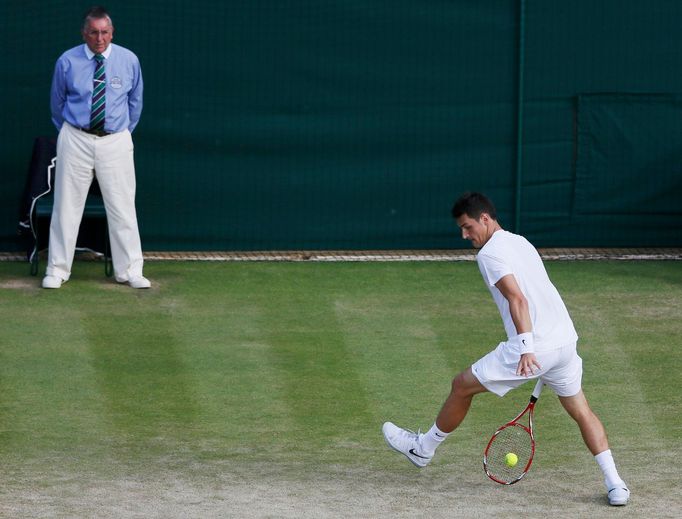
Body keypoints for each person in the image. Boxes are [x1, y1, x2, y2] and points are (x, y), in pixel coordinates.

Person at [382, 192, 630, 506]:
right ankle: (616, 484)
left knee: (461, 386)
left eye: (468, 227)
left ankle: (423, 449)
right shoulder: (521, 242)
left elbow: (518, 299)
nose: (464, 235)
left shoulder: (489, 255)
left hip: (533, 347)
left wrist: (527, 348)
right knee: (582, 412)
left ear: (485, 218)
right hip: (564, 341)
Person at [42, 6, 150, 289]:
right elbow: (57, 103)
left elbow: (135, 102)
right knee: (66, 205)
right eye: (93, 32)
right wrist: (74, 132)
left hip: (116, 139)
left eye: (104, 32)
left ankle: (129, 270)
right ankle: (57, 269)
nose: (99, 38)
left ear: (112, 32)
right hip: (76, 138)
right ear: (84, 33)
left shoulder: (129, 60)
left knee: (122, 206)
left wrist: (120, 132)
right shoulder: (67, 61)